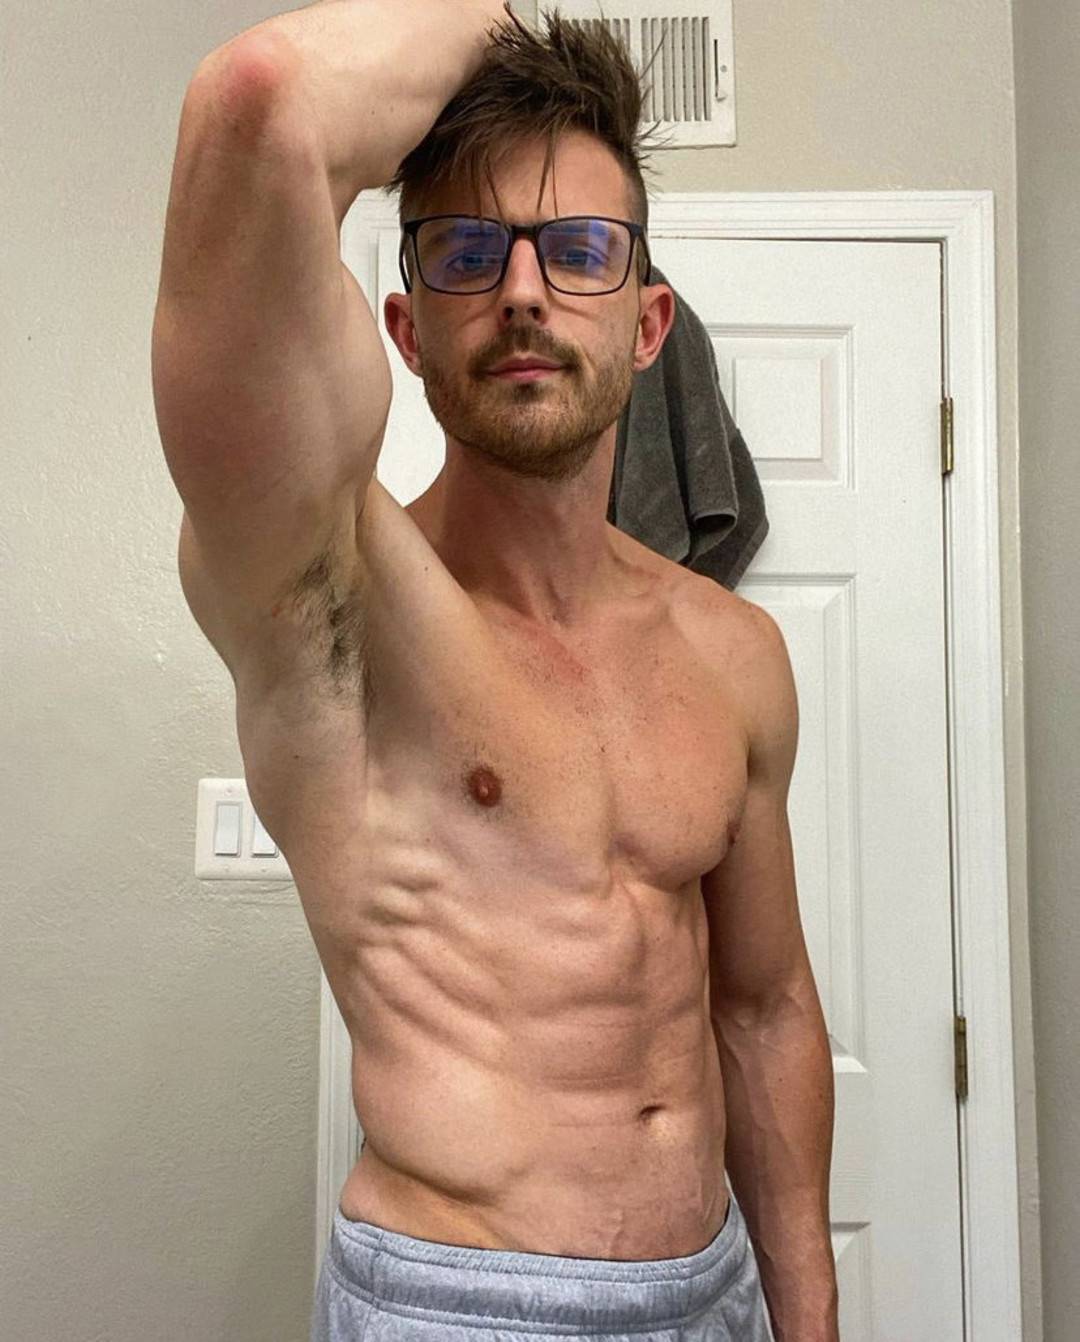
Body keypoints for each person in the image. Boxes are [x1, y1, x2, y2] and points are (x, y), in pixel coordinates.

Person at [152, 3, 839, 1338]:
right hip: (459, 1304)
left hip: (718, 1295)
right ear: (405, 330)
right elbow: (260, 101)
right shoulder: (327, 602)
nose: (523, 291)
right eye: (469, 253)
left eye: (577, 250)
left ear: (648, 324)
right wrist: (515, 27)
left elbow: (763, 1010)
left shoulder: (734, 653)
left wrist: (806, 1315)